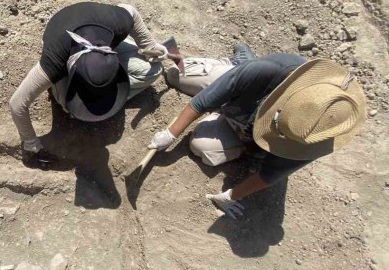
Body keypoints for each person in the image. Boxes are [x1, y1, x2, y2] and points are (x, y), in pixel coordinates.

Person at [149, 46, 366, 219]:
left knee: (202, 147)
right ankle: (239, 63)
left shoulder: (317, 134)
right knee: (176, 75)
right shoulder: (268, 72)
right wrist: (170, 134)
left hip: (244, 126)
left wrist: (230, 196)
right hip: (245, 87)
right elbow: (203, 102)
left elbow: (271, 173)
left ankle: (249, 142)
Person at [9, 2, 167, 168]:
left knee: (154, 69)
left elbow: (131, 11)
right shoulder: (54, 62)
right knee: (67, 104)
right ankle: (62, 94)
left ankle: (101, 92)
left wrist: (149, 44)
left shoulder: (117, 23)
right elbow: (17, 104)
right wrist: (31, 145)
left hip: (100, 40)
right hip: (63, 41)